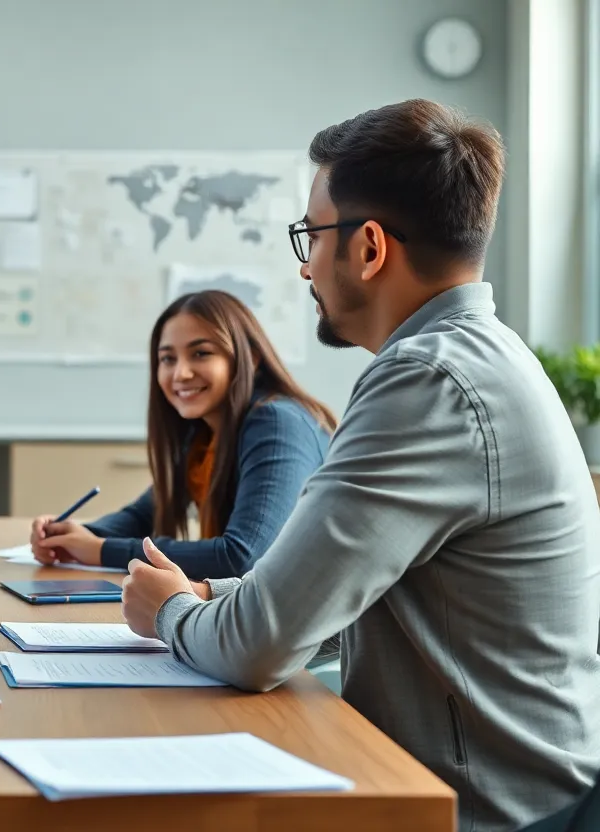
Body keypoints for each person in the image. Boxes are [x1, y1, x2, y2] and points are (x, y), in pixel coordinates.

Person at [121, 99, 600, 832]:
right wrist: (209, 590)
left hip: (489, 816)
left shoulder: (429, 381)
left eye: (310, 237)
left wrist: (172, 613)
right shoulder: (480, 355)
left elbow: (260, 646)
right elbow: (324, 595)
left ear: (369, 247)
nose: (307, 265)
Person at [29, 290, 335, 578]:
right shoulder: (204, 430)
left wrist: (102, 551)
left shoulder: (278, 422)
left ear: (251, 358)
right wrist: (73, 536)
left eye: (201, 353)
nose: (181, 374)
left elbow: (242, 557)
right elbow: (144, 514)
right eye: (167, 359)